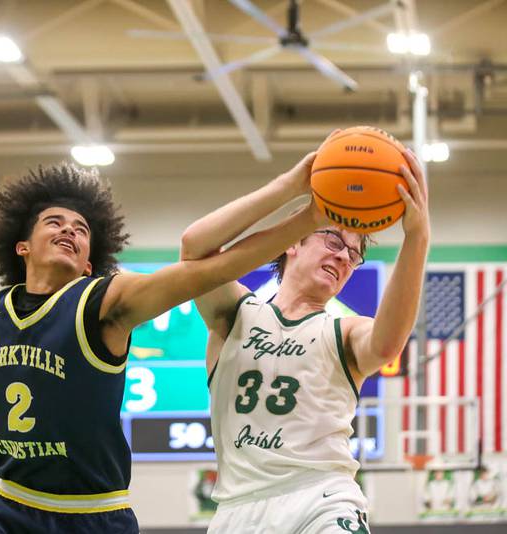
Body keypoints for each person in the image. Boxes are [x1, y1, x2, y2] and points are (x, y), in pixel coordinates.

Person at [0, 163, 325, 534]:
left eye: (81, 229)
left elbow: (207, 269)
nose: (70, 230)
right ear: (22, 246)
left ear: (91, 260)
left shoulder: (106, 300)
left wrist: (307, 217)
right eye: (55, 223)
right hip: (15, 507)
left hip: (95, 515)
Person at [179, 137, 429, 533]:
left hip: (322, 499)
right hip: (237, 509)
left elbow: (387, 343)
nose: (344, 256)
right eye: (333, 240)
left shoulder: (343, 330)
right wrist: (292, 188)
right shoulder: (235, 315)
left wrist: (417, 238)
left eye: (354, 254)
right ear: (294, 242)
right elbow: (195, 248)